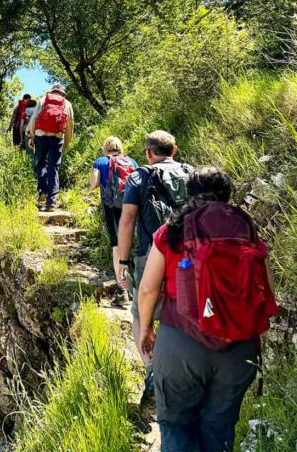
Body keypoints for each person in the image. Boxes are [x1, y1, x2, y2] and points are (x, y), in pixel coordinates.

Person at [138, 166, 277, 452]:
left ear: (190, 193)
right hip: (239, 350)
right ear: (227, 195)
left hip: (181, 342)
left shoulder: (171, 232)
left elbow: (149, 288)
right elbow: (268, 290)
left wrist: (146, 328)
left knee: (176, 426)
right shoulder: (246, 232)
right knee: (219, 429)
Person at [117, 130, 193, 394]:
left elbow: (127, 221)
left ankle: (153, 370)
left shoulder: (139, 176)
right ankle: (185, 371)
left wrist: (123, 261)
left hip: (150, 254)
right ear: (175, 149)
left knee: (141, 313)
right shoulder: (192, 173)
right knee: (184, 312)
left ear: (148, 154)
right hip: (190, 256)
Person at [90, 136, 137, 306]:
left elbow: (94, 184)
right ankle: (135, 287)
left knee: (117, 246)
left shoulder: (101, 161)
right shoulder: (131, 161)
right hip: (131, 207)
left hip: (111, 207)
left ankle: (122, 289)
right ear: (120, 147)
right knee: (131, 244)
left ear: (105, 148)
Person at [27, 84, 74, 211]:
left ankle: (43, 191)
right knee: (53, 167)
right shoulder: (67, 103)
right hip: (57, 136)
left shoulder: (43, 99)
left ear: (52, 91)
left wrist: (31, 136)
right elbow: (69, 125)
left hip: (40, 135)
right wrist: (66, 142)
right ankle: (51, 202)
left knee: (41, 163)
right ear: (62, 93)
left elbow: (34, 118)